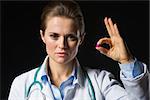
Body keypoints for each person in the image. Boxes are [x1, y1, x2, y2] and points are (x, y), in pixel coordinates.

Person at [8, 1, 149, 100]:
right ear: (42, 36)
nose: (62, 44)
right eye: (54, 36)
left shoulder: (100, 82)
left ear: (81, 39)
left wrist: (126, 61)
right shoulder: (22, 84)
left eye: (71, 37)